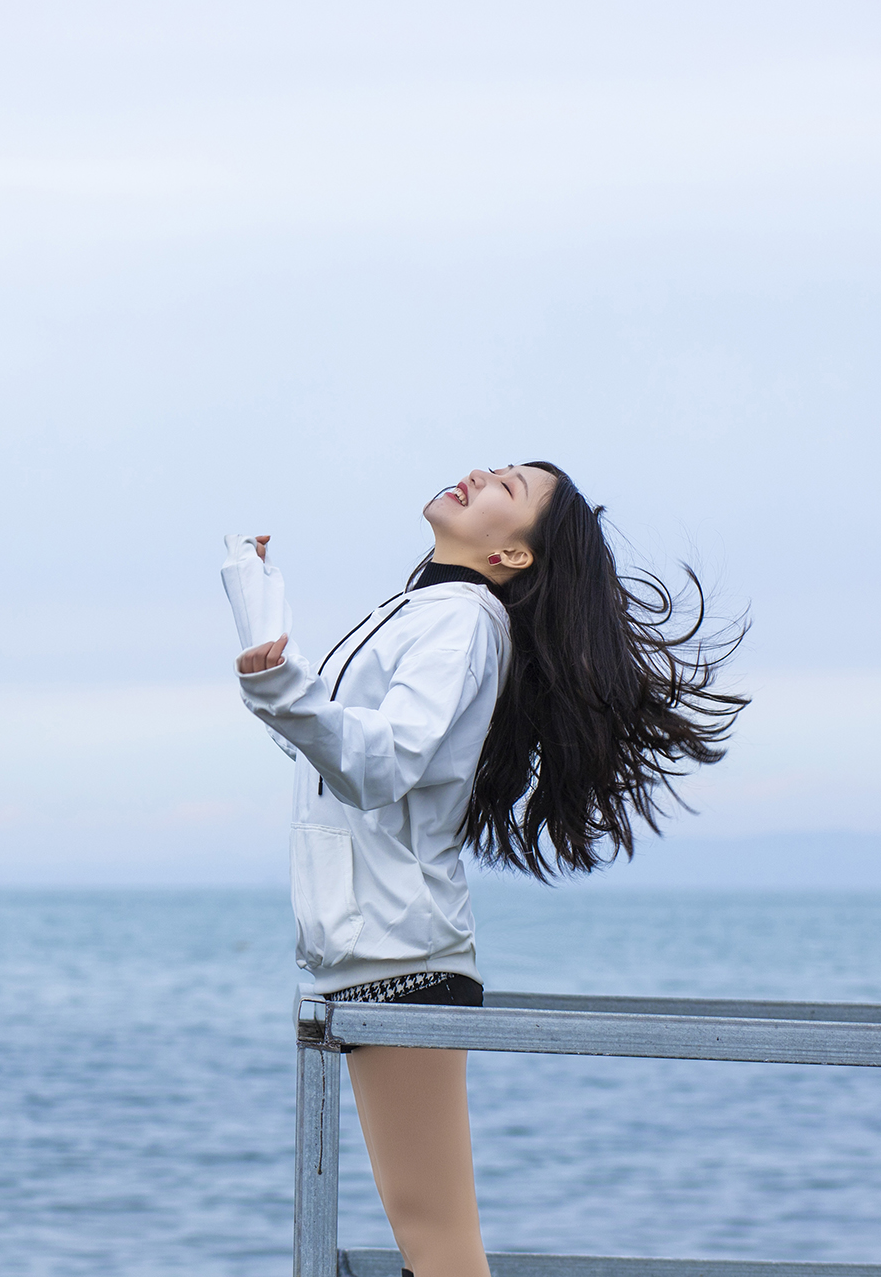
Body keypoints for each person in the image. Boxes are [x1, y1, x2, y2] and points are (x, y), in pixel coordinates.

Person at [221, 463, 746, 1276]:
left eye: (507, 488)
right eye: (492, 467)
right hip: (374, 955)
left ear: (515, 555)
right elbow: (319, 746)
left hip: (402, 961)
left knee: (441, 1251)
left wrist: (278, 683)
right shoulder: (428, 610)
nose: (478, 475)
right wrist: (258, 609)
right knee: (427, 1246)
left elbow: (379, 764)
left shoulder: (461, 622)